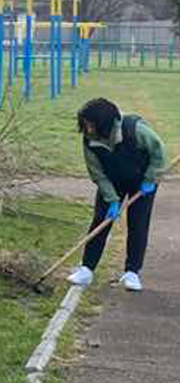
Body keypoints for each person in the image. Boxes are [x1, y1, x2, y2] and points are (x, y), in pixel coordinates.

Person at [67, 97, 165, 291]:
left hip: (143, 181)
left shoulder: (135, 129)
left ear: (105, 123)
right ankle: (87, 269)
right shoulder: (89, 140)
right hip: (112, 181)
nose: (88, 129)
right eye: (85, 124)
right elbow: (98, 174)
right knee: (100, 220)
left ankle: (132, 272)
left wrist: (150, 179)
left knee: (138, 223)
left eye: (92, 125)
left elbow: (158, 153)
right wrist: (112, 200)